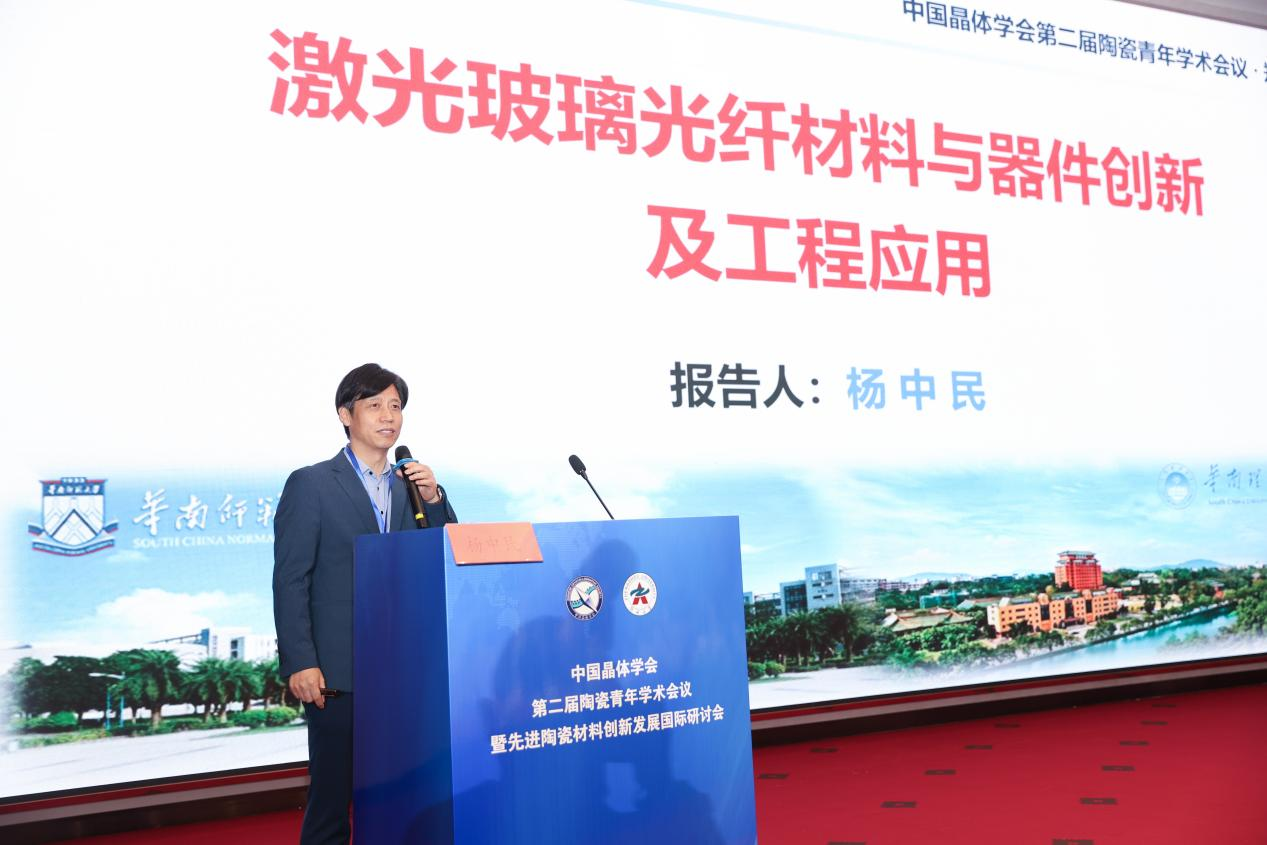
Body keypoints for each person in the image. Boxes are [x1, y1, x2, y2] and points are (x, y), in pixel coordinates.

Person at [273, 363, 457, 844]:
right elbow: (290, 579)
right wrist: (301, 661)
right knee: (332, 802)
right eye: (374, 405)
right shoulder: (312, 484)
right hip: (339, 675)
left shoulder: (412, 487)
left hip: (404, 674)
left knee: (403, 797)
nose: (388, 416)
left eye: (395, 406)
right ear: (345, 414)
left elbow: (445, 554)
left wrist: (434, 498)